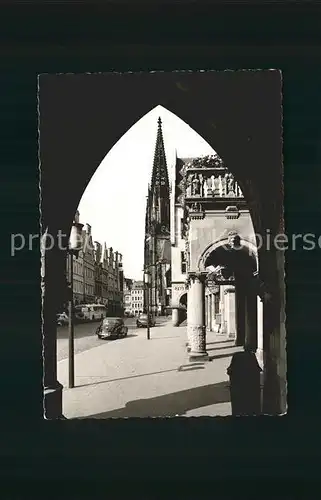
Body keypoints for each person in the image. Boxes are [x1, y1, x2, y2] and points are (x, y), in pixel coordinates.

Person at [227, 346, 262, 416]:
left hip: (238, 387)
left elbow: (230, 370)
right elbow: (258, 370)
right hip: (250, 388)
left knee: (238, 405)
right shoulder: (252, 356)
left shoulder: (236, 355)